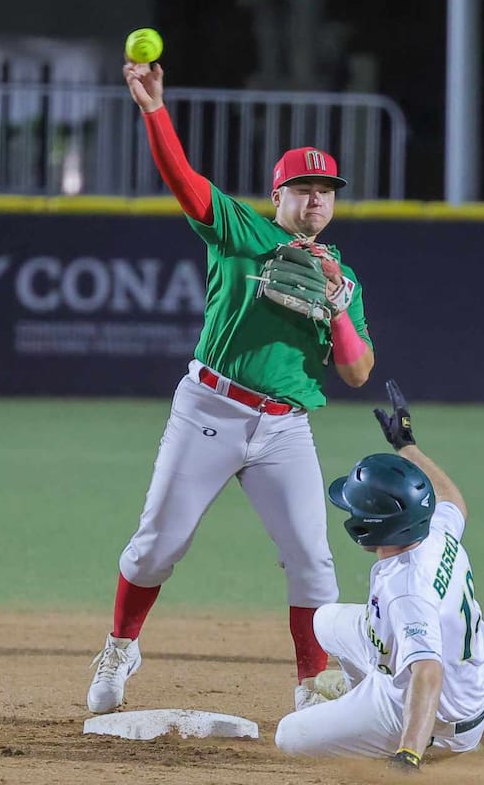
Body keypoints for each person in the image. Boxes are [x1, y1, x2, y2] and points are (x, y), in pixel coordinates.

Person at [86, 61, 375, 715]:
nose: (316, 200)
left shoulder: (344, 279)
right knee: (158, 546)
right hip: (209, 409)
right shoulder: (241, 232)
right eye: (302, 189)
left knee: (314, 562)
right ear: (278, 198)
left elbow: (357, 372)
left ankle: (313, 681)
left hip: (284, 429)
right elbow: (183, 181)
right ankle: (119, 647)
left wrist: (333, 306)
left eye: (326, 190)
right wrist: (154, 108)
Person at [275, 380, 484, 772]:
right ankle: (365, 701)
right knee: (324, 620)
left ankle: (401, 732)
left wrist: (408, 755)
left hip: (442, 716)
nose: (350, 513)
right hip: (474, 680)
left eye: (356, 508)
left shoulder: (405, 589)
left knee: (289, 736)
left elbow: (428, 672)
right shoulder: (431, 529)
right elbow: (453, 500)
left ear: (374, 525)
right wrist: (407, 446)